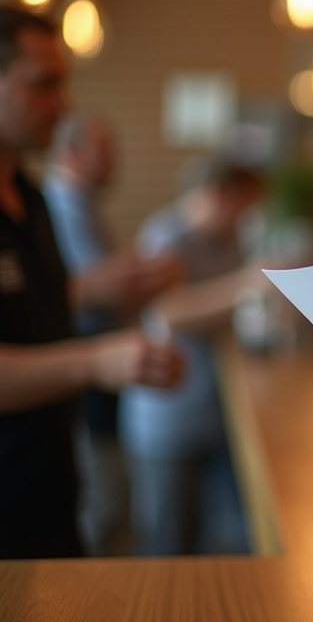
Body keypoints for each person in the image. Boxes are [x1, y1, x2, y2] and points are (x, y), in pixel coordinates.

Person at [0, 6, 181, 560]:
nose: (65, 104)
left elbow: (33, 307)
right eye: (43, 84)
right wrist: (99, 360)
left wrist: (99, 288)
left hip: (48, 493)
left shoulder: (30, 199)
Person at [44, 114, 180, 556]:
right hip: (80, 379)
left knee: (110, 499)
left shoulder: (80, 205)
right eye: (103, 149)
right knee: (102, 504)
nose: (113, 160)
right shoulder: (59, 206)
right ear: (72, 153)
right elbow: (84, 293)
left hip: (95, 375)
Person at [120, 156, 264, 556]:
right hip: (167, 415)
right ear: (220, 195)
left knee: (208, 540)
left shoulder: (229, 238)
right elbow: (169, 310)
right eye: (244, 206)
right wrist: (248, 284)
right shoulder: (165, 236)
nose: (247, 217)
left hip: (211, 411)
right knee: (166, 543)